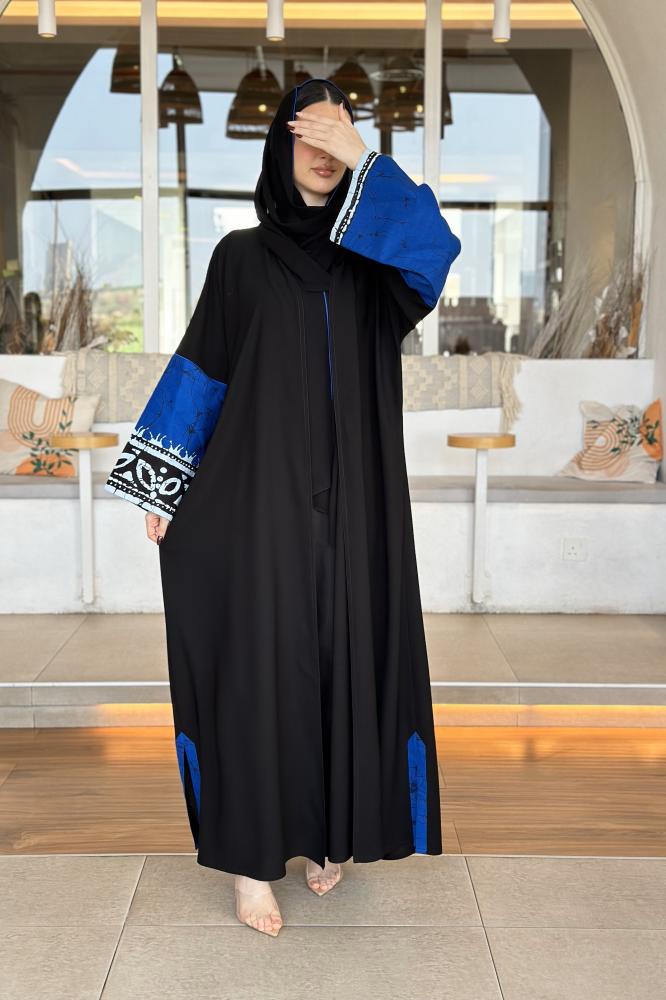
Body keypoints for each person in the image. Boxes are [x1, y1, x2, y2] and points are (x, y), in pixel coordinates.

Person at [104, 77, 461, 938]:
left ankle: (329, 833)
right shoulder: (240, 258)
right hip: (256, 504)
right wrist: (165, 481)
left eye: (338, 132)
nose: (322, 148)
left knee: (344, 661)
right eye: (308, 131)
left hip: (357, 510)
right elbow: (205, 366)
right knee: (260, 670)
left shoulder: (377, 265)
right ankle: (252, 861)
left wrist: (364, 158)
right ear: (279, 145)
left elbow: (437, 250)